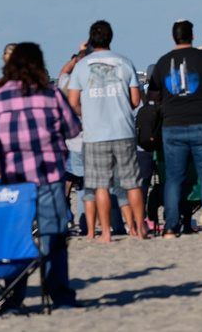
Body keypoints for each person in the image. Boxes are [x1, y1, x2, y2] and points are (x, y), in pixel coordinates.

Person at [0, 42, 82, 310]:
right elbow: (73, 129)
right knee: (54, 237)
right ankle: (60, 296)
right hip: (49, 176)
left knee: (17, 239)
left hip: (14, 180)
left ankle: (14, 298)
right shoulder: (51, 95)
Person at [67, 20, 147, 241]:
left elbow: (73, 101)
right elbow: (135, 99)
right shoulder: (125, 62)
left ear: (91, 39)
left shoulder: (82, 66)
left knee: (100, 185)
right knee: (132, 183)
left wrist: (88, 111)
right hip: (123, 130)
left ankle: (105, 233)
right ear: (111, 38)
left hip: (95, 134)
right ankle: (140, 230)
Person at [147, 19, 202, 237]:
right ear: (192, 36)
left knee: (173, 179)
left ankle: (171, 226)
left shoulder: (163, 62)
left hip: (173, 126)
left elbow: (152, 96)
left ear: (173, 38)